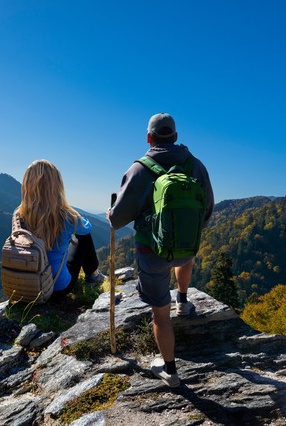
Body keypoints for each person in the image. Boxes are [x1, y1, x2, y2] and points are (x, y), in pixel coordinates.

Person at [107, 113, 214, 388]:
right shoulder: (196, 166)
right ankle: (183, 300)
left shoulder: (140, 169)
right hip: (187, 248)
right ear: (175, 137)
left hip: (151, 252)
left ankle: (170, 371)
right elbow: (208, 210)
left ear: (149, 138)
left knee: (159, 314)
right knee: (184, 257)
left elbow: (118, 219)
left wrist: (110, 213)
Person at [17, 159, 106, 300]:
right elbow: (86, 228)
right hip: (57, 288)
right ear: (56, 186)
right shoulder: (65, 216)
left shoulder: (19, 215)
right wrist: (68, 209)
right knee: (83, 237)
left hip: (26, 288)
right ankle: (93, 276)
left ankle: (93, 275)